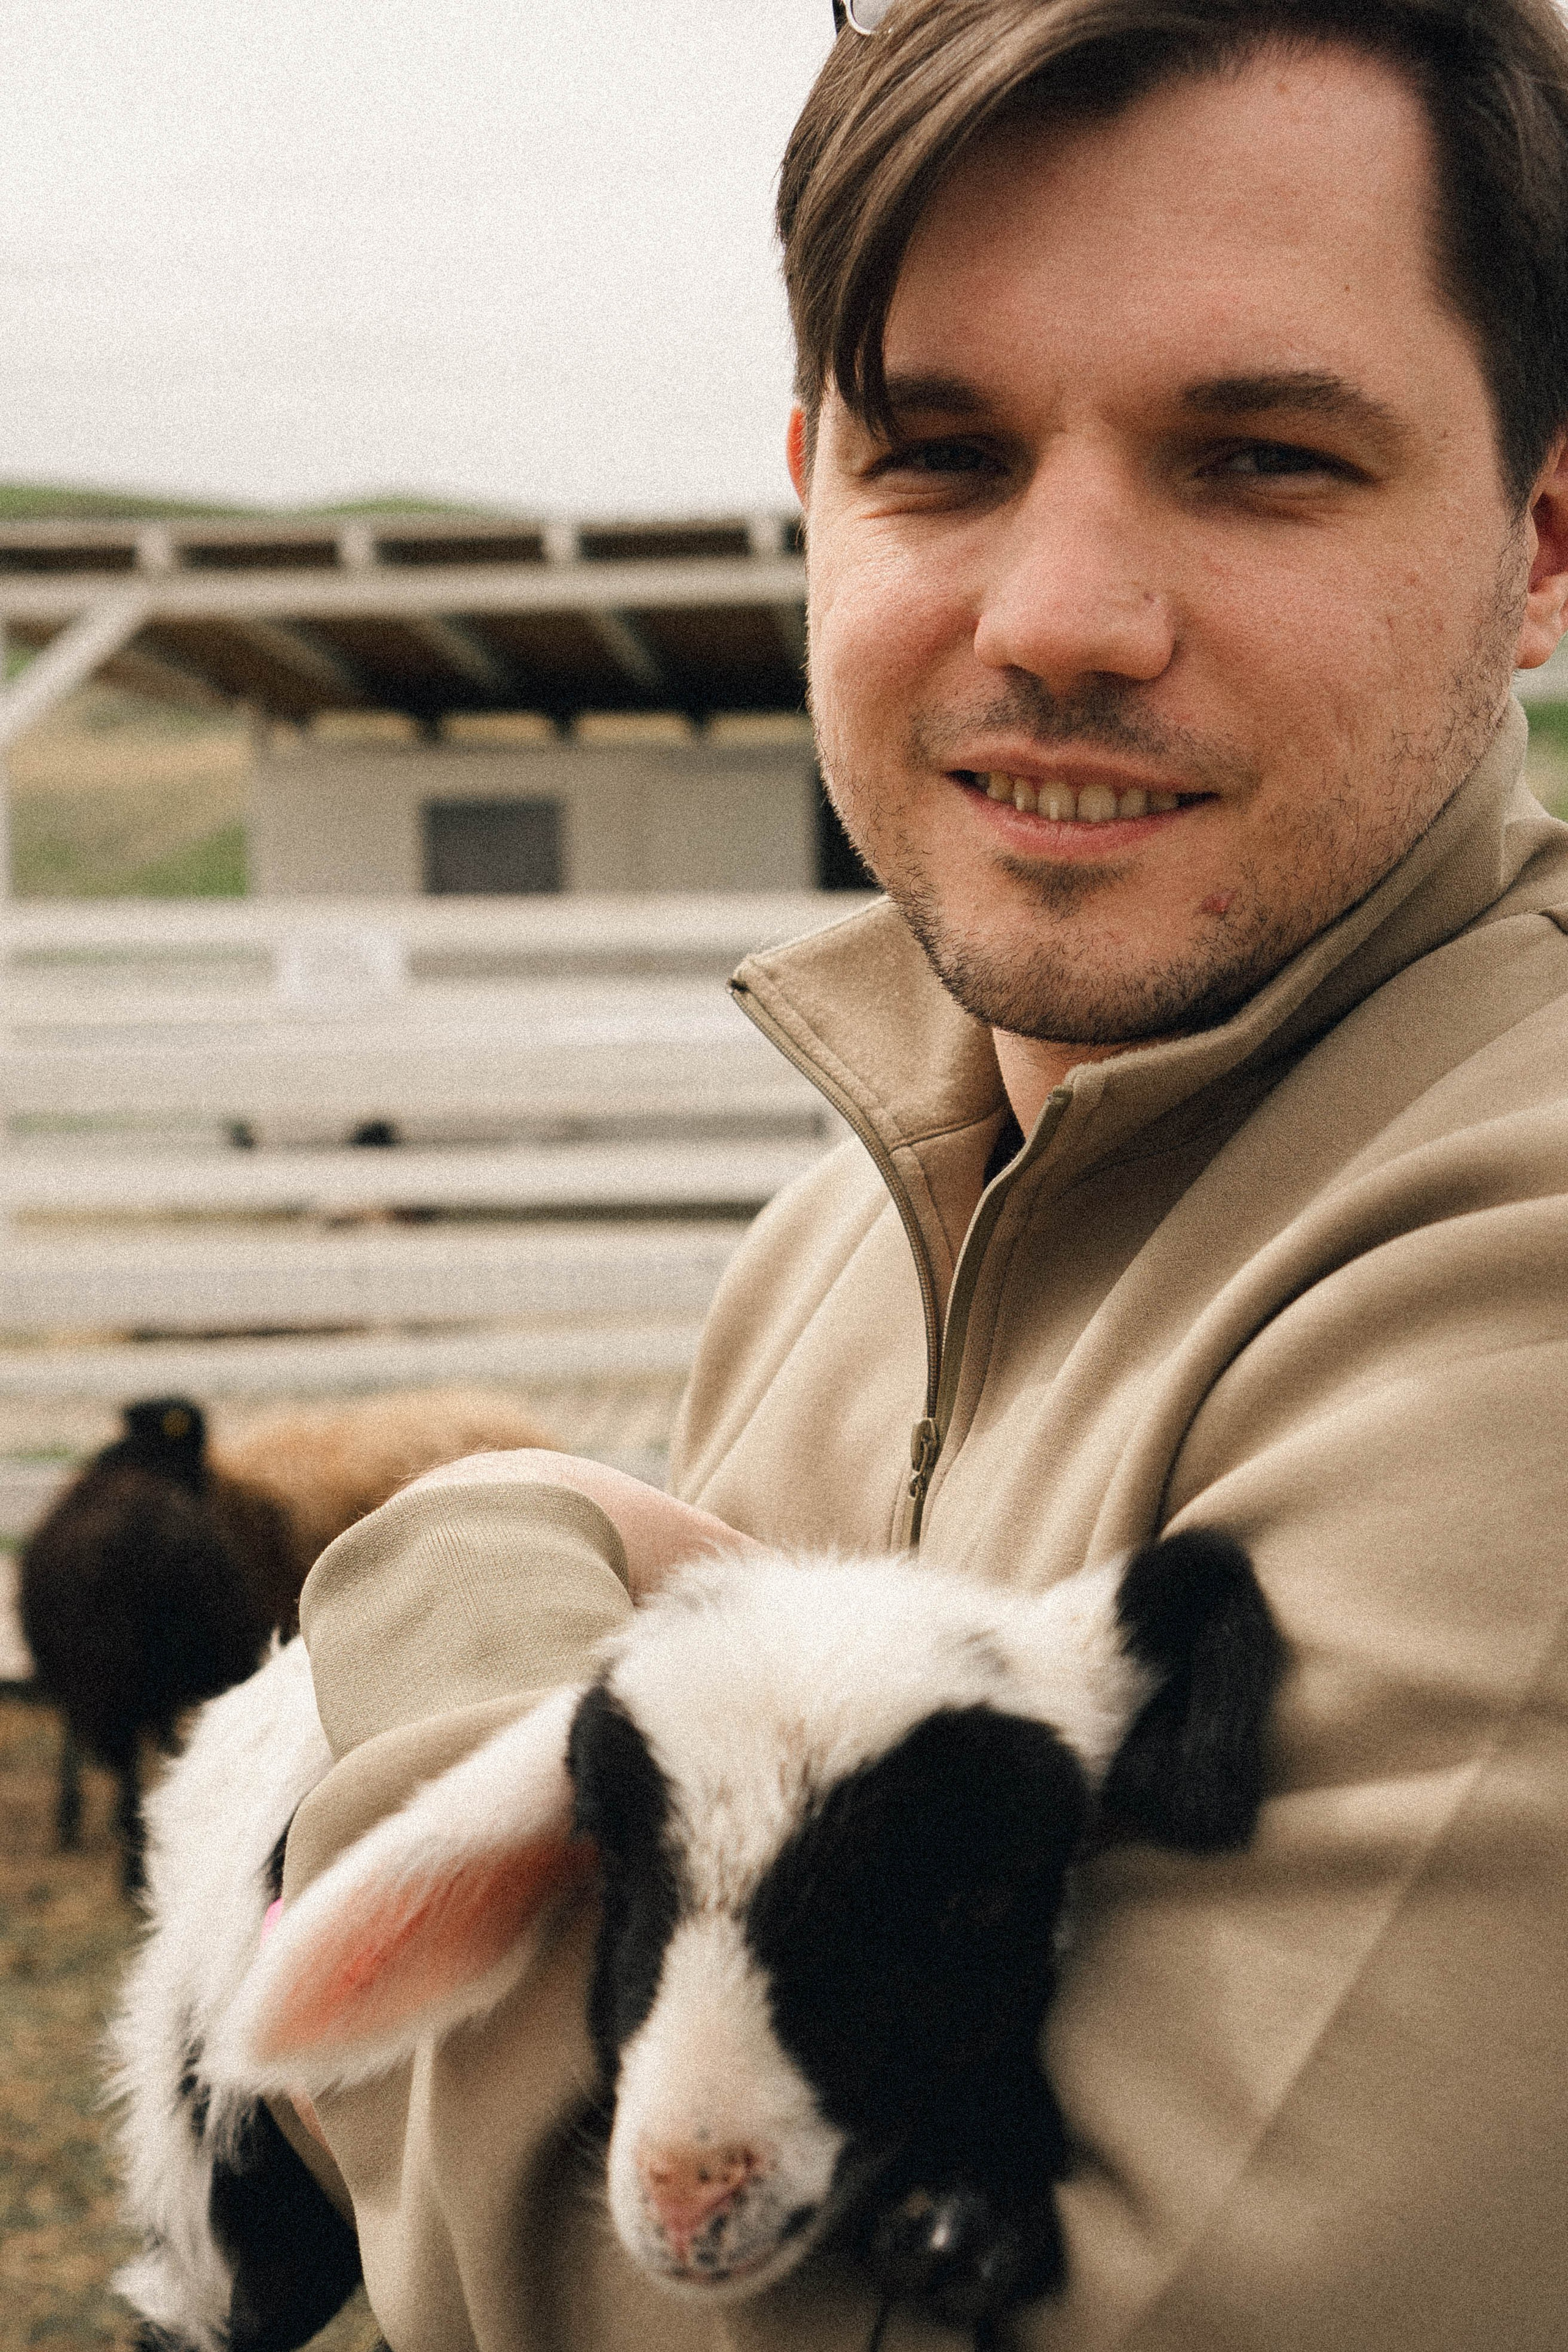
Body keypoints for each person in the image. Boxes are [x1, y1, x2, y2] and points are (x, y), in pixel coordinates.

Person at [279, 2, 1568, 2345]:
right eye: (940, 455)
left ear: (1545, 541)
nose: (1059, 614)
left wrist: (449, 1598)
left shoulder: (1526, 1276)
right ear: (814, 494)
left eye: (1261, 456)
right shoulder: (838, 1245)